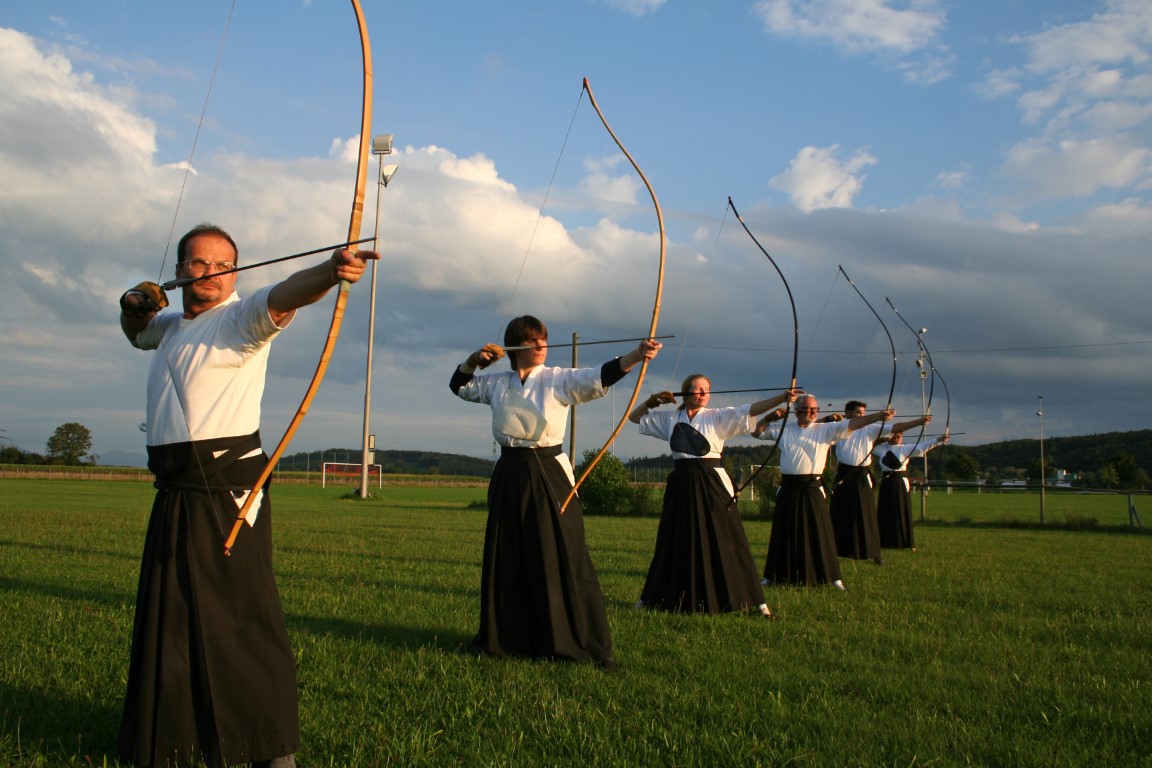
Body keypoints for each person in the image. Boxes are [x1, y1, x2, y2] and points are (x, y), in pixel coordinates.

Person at [117, 223, 378, 768]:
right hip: (176, 495)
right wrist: (134, 301)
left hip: (225, 496)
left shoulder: (239, 318)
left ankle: (267, 750)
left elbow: (286, 295)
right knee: (175, 621)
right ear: (181, 269)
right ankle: (178, 739)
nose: (210, 273)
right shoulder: (168, 328)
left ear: (234, 273)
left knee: (240, 621)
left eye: (222, 265)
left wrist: (330, 273)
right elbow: (133, 328)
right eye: (198, 263)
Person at [450, 315, 662, 671]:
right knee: (508, 557)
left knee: (565, 556)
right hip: (509, 473)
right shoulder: (497, 382)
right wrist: (474, 361)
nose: (541, 345)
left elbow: (598, 375)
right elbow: (459, 385)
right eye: (533, 340)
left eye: (544, 338)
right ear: (516, 346)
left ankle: (588, 645)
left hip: (549, 473)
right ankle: (505, 640)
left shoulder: (557, 379)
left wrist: (636, 355)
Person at [627, 376, 800, 618]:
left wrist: (781, 398)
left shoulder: (718, 416)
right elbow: (634, 418)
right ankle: (652, 597)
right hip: (681, 481)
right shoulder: (670, 419)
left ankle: (759, 603)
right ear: (684, 393)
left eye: (706, 391)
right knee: (672, 538)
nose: (702, 394)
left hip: (711, 481)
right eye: (697, 390)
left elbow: (749, 410)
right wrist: (651, 401)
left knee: (729, 538)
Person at [751, 394, 891, 588]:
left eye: (815, 409)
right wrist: (768, 418)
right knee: (783, 531)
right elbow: (757, 432)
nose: (812, 412)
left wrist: (877, 416)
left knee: (821, 532)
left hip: (812, 487)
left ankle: (833, 577)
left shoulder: (826, 430)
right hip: (789, 487)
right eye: (808, 409)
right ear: (797, 411)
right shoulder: (784, 429)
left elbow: (855, 424)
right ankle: (773, 575)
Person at [828, 401, 927, 565]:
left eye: (863, 413)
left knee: (866, 514)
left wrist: (919, 422)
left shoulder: (871, 429)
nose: (862, 416)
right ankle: (837, 549)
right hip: (844, 473)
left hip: (861, 474)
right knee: (841, 512)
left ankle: (873, 552)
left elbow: (896, 427)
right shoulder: (839, 427)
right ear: (848, 413)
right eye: (859, 412)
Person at [873, 431, 948, 550]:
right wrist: (880, 438)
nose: (899, 437)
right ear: (889, 437)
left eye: (900, 435)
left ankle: (906, 542)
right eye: (896, 435)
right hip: (886, 481)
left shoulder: (905, 448)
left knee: (901, 510)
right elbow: (868, 445)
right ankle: (885, 541)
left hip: (899, 481)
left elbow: (922, 447)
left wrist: (938, 440)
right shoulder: (881, 448)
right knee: (886, 510)